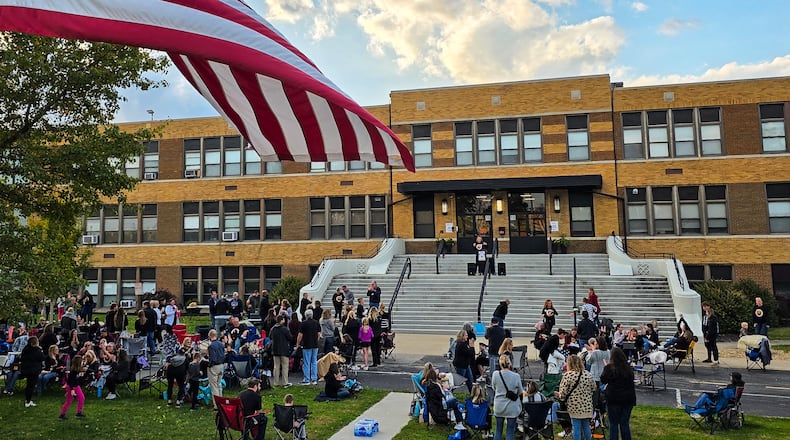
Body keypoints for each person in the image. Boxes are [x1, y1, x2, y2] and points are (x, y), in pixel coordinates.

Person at [554, 354, 596, 440]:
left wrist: (558, 394)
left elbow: (563, 393)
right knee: (586, 427)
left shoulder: (568, 375)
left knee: (576, 427)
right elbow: (594, 388)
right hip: (587, 405)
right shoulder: (588, 374)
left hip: (574, 406)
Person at [600, 348, 636, 440]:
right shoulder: (628, 368)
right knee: (624, 423)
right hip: (628, 398)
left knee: (613, 424)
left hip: (614, 398)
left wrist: (606, 367)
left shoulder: (609, 368)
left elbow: (603, 380)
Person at [492, 355, 523, 440]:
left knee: (498, 430)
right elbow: (520, 392)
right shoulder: (516, 376)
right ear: (509, 364)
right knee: (510, 430)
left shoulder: (495, 374)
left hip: (499, 405)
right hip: (512, 406)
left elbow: (493, 387)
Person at [297, 309, 321, 384]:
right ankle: (314, 379)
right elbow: (319, 334)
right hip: (315, 344)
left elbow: (300, 335)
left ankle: (307, 379)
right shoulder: (316, 322)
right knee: (314, 362)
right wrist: (316, 340)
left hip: (306, 344)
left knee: (306, 362)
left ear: (305, 315)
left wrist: (298, 343)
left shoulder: (304, 323)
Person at [20, 335, 46, 408]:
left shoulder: (25, 349)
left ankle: (28, 399)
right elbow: (42, 358)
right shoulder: (37, 350)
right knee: (31, 386)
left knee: (29, 385)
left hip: (26, 369)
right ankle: (28, 401)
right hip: (34, 370)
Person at [59, 355, 86, 420]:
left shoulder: (77, 370)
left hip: (76, 386)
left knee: (81, 398)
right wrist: (71, 390)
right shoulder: (73, 372)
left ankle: (79, 412)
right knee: (69, 401)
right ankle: (62, 414)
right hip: (72, 387)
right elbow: (70, 381)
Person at [270, 314, 292, 387]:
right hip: (284, 350)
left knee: (276, 367)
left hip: (275, 350)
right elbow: (290, 338)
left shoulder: (273, 329)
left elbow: (270, 337)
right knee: (285, 366)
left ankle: (276, 382)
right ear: (281, 320)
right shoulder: (284, 329)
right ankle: (285, 382)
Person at [207, 329, 225, 407]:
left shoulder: (211, 346)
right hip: (221, 365)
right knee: (219, 384)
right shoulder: (221, 344)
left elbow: (213, 358)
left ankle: (216, 405)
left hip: (214, 366)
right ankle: (221, 401)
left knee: (214, 386)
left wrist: (209, 366)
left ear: (210, 336)